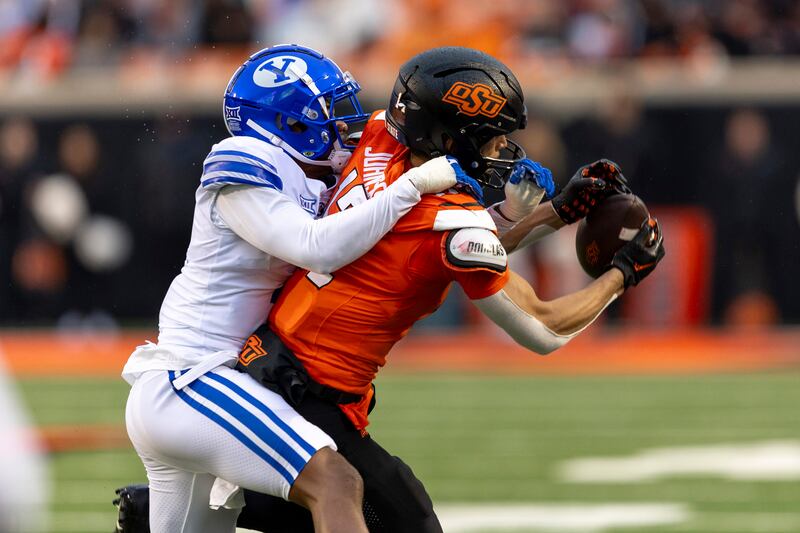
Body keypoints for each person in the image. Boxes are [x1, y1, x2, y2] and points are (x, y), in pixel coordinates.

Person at [115, 47, 664, 532]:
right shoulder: (253, 164)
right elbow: (540, 326)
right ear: (451, 135)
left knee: (356, 504)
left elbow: (425, 238)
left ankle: (208, 509)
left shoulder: (378, 138)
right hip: (215, 377)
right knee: (353, 494)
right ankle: (243, 503)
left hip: (253, 368)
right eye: (494, 135)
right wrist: (625, 273)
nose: (504, 148)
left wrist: (555, 212)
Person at [121, 44, 480, 533]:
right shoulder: (242, 159)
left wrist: (517, 220)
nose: (340, 121)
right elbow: (317, 246)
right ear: (287, 123)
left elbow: (386, 245)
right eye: (327, 110)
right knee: (334, 482)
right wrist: (410, 187)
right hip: (193, 380)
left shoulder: (314, 176)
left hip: (223, 382)